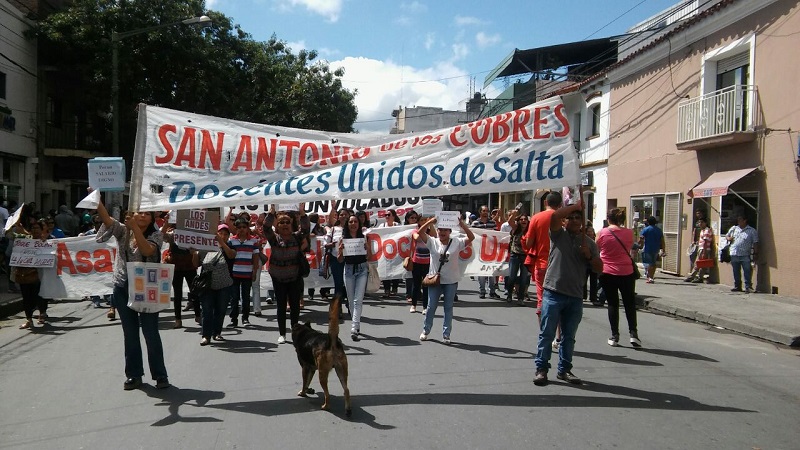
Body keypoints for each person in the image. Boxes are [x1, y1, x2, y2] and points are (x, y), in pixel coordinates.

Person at [93, 192, 169, 391]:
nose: (142, 216)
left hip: (147, 287)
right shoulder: (123, 231)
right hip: (123, 286)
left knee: (151, 333)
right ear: (130, 214)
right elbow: (108, 221)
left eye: (146, 213)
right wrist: (98, 201)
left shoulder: (156, 234)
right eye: (138, 213)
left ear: (153, 218)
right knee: (130, 333)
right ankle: (134, 375)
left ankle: (160, 375)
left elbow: (147, 251)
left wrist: (136, 229)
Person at [533, 199, 602, 386]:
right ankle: (541, 368)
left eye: (577, 218)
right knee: (547, 334)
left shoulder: (589, 243)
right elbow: (555, 216)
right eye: (569, 218)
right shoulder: (557, 235)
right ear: (564, 222)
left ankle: (564, 369)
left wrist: (588, 256)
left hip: (575, 295)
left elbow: (599, 268)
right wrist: (576, 206)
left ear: (582, 221)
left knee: (568, 337)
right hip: (553, 292)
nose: (573, 220)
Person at [417, 215, 475, 345]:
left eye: (445, 230)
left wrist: (462, 225)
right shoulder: (432, 242)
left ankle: (446, 334)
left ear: (450, 231)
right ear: (437, 231)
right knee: (431, 307)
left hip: (451, 281)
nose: (442, 232)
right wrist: (430, 222)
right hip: (435, 281)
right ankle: (426, 330)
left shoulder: (457, 242)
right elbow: (420, 232)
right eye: (440, 229)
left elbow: (471, 237)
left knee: (448, 308)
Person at [596, 208, 641, 348]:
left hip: (607, 271)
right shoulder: (629, 233)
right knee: (629, 303)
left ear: (608, 219)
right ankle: (634, 334)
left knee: (613, 304)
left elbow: (597, 248)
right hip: (626, 271)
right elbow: (631, 247)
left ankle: (614, 335)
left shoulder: (602, 233)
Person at [262, 209, 308, 344]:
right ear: (277, 226)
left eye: (287, 222)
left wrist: (303, 214)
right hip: (278, 278)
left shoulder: (297, 237)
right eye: (281, 222)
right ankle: (282, 334)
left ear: (292, 224)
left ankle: (295, 332)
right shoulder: (274, 239)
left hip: (294, 278)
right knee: (281, 306)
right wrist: (271, 214)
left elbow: (305, 229)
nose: (285, 224)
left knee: (294, 306)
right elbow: (265, 227)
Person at [523, 192, 563, 346]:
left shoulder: (536, 218)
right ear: (560, 204)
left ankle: (545, 335)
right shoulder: (562, 217)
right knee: (559, 300)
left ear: (545, 201)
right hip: (560, 265)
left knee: (542, 300)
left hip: (542, 264)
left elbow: (528, 243)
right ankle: (558, 337)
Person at [193, 224, 236, 346]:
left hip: (224, 285)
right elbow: (196, 264)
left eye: (225, 234)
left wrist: (222, 243)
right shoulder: (205, 247)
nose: (222, 235)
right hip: (207, 285)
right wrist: (195, 253)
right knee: (206, 310)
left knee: (221, 310)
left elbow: (231, 255)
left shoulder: (230, 246)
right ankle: (206, 335)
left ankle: (217, 332)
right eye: (220, 233)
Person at [338, 215, 371, 341]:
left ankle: (354, 326)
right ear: (347, 224)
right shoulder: (343, 239)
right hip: (349, 270)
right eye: (350, 222)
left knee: (358, 300)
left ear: (359, 223)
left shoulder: (364, 238)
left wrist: (367, 248)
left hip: (362, 270)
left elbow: (370, 256)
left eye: (355, 221)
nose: (353, 224)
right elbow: (340, 260)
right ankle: (355, 323)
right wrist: (341, 251)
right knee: (351, 300)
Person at [161, 222, 199, 328]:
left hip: (189, 265)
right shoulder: (172, 233)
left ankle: (198, 315)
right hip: (176, 266)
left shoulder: (192, 233)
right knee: (177, 295)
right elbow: (163, 237)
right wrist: (166, 224)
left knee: (195, 291)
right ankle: (178, 319)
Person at [11, 219, 46, 329]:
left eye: (37, 228)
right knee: (26, 298)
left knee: (38, 296)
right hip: (24, 274)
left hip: (39, 275)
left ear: (42, 230)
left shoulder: (47, 242)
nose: (35, 230)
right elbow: (10, 235)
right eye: (33, 228)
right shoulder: (24, 240)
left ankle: (42, 313)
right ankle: (29, 320)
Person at [227, 217, 259, 327]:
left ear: (248, 228)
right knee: (234, 297)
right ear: (236, 229)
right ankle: (233, 319)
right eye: (239, 227)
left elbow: (255, 257)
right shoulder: (231, 241)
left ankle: (245, 318)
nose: (242, 229)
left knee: (245, 297)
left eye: (244, 227)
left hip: (247, 273)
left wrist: (254, 271)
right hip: (234, 273)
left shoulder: (253, 241)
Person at [725, 215, 759, 293]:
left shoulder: (751, 230)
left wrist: (756, 253)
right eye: (738, 220)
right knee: (736, 271)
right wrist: (728, 238)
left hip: (745, 254)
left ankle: (748, 286)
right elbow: (727, 235)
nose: (738, 222)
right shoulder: (734, 228)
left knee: (747, 270)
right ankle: (737, 286)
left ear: (745, 221)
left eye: (740, 220)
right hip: (734, 253)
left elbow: (755, 242)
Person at [471, 205, 498, 299]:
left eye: (487, 211)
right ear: (480, 212)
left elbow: (497, 235)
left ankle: (492, 291)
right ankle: (482, 291)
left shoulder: (493, 223)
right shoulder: (475, 223)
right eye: (483, 211)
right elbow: (472, 235)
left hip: (491, 251)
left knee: (492, 272)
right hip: (480, 251)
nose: (485, 212)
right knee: (481, 272)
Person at [505, 209, 530, 305]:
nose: (523, 221)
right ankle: (509, 295)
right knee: (512, 276)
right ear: (519, 221)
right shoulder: (516, 228)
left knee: (523, 278)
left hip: (525, 256)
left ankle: (521, 298)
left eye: (525, 219)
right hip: (515, 255)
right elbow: (509, 222)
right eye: (522, 219)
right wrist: (514, 214)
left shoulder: (530, 230)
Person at [379, 209, 401, 298]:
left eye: (389, 215)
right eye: (386, 215)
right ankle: (386, 290)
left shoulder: (398, 226)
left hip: (396, 251)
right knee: (386, 270)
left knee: (396, 269)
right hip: (385, 252)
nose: (387, 216)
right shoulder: (382, 226)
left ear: (393, 216)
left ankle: (394, 288)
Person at [684, 217, 714, 283]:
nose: (700, 224)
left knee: (697, 263)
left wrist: (704, 252)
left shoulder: (707, 230)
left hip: (704, 249)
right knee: (702, 264)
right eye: (699, 222)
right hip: (701, 248)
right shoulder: (702, 231)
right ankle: (700, 277)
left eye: (702, 222)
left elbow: (706, 242)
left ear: (705, 223)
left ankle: (691, 276)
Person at [638, 216, 665, 284]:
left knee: (648, 263)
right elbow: (662, 241)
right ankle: (651, 276)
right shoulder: (659, 230)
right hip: (656, 249)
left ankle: (649, 277)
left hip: (648, 248)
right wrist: (663, 249)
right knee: (653, 263)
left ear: (648, 222)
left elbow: (641, 238)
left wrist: (639, 245)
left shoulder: (646, 229)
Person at [583, 222, 599, 305]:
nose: (590, 233)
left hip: (593, 263)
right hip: (585, 263)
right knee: (584, 280)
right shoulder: (584, 240)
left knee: (594, 282)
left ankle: (593, 297)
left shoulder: (596, 241)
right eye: (588, 231)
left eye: (591, 231)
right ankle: (583, 296)